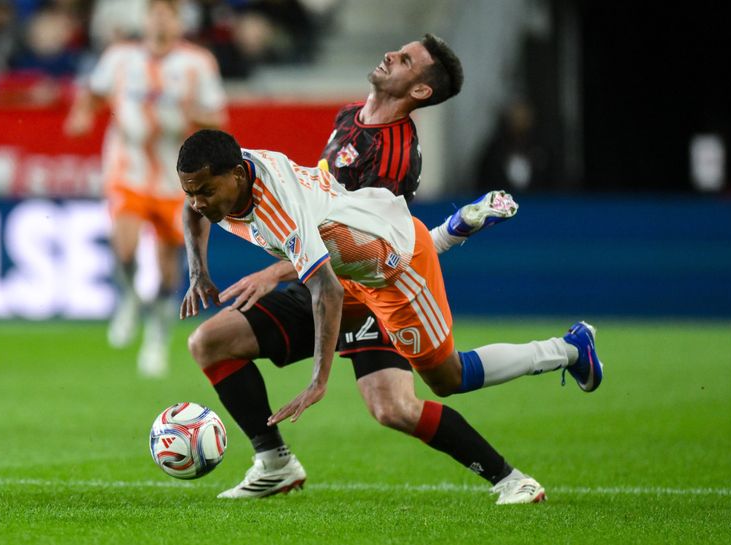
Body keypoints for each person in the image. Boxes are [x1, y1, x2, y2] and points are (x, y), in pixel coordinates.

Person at [181, 35, 549, 505]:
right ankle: (274, 462)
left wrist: (317, 378)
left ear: (420, 91)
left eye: (407, 58)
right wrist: (198, 271)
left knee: (411, 398)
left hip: (377, 282)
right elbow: (198, 205)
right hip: (326, 268)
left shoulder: (392, 153)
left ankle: (512, 470)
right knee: (210, 342)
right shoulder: (338, 123)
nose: (392, 54)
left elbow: (369, 245)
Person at [64, 0, 226, 377]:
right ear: (146, 19)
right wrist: (82, 112)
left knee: (169, 269)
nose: (160, 21)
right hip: (127, 165)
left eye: (168, 15)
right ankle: (129, 299)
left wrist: (182, 110)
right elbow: (93, 90)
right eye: (154, 14)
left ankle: (156, 338)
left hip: (176, 177)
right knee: (125, 245)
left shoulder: (197, 63)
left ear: (178, 22)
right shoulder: (120, 57)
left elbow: (218, 118)